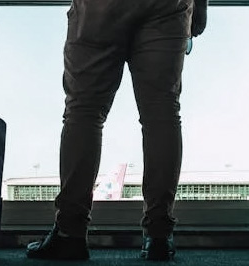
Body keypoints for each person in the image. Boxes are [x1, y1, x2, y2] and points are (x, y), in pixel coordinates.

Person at [26, 0, 207, 261]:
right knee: (162, 114)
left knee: (84, 112)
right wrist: (200, 7)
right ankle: (158, 235)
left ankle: (70, 231)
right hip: (168, 7)